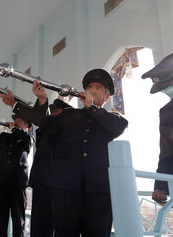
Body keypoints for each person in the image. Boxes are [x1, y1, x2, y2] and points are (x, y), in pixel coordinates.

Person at [39, 69, 128, 236]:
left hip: (98, 193)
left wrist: (92, 107)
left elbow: (116, 128)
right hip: (66, 190)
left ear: (106, 97)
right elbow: (45, 125)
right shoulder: (68, 115)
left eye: (99, 87)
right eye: (90, 86)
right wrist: (42, 100)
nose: (93, 90)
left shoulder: (114, 120)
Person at [0, 85, 71, 237]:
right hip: (41, 181)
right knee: (38, 228)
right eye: (53, 111)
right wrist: (15, 104)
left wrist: (16, 104)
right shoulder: (48, 125)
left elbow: (41, 119)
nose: (54, 114)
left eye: (58, 111)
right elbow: (40, 118)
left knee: (58, 227)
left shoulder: (67, 128)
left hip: (59, 184)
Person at [142, 52, 173, 236]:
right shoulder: (167, 111)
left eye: (169, 85)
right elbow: (166, 150)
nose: (167, 91)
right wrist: (160, 185)